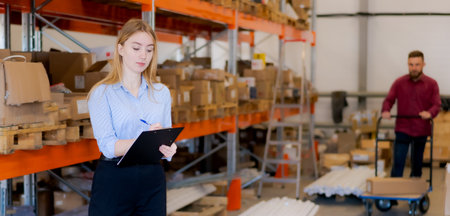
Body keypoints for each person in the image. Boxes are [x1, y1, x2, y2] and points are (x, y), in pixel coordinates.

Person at [87, 19, 177, 216]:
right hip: (115, 179)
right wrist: (143, 141)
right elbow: (108, 146)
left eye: (149, 50)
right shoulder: (102, 93)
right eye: (136, 48)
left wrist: (169, 147)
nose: (143, 55)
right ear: (120, 48)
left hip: (152, 178)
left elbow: (165, 136)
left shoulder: (161, 92)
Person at [382, 50, 441, 179]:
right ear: (407, 64)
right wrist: (386, 110)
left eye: (417, 64)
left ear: (423, 64)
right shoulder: (399, 83)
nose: (414, 68)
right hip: (403, 128)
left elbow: (437, 104)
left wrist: (430, 113)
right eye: (411, 64)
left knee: (417, 165)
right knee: (398, 163)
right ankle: (393, 196)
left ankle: (414, 195)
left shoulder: (432, 84)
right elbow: (389, 99)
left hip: (421, 129)